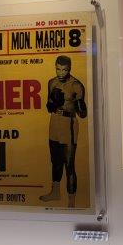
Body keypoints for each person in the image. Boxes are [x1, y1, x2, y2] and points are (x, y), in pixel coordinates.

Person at [40, 55, 87, 208]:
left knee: (69, 164)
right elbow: (49, 108)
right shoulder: (51, 82)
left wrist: (78, 103)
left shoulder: (76, 85)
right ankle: (55, 192)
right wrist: (53, 102)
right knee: (55, 161)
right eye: (58, 69)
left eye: (64, 69)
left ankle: (71, 202)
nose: (60, 72)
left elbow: (83, 114)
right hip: (54, 123)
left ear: (69, 69)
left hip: (69, 124)